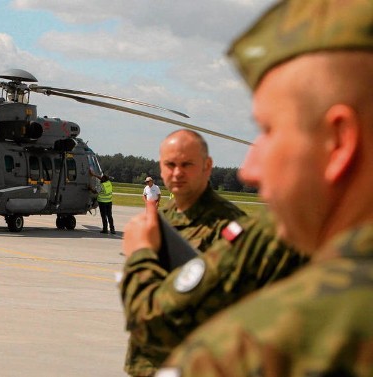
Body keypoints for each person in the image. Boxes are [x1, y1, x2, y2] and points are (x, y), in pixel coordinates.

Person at [152, 1, 373, 375]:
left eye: (270, 130)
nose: (249, 169)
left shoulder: (247, 353)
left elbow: (159, 314)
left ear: (339, 141)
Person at [123, 129, 246, 376]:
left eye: (187, 164)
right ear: (160, 168)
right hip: (149, 364)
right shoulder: (160, 220)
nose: (177, 173)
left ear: (207, 166)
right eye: (170, 164)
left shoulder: (229, 225)